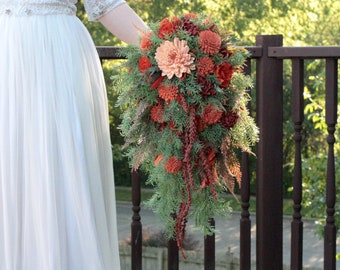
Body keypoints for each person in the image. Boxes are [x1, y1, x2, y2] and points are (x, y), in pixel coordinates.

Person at [0, 1, 148, 269]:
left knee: (63, 169)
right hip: (6, 60)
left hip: (58, 59)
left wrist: (166, 49)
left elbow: (106, 4)